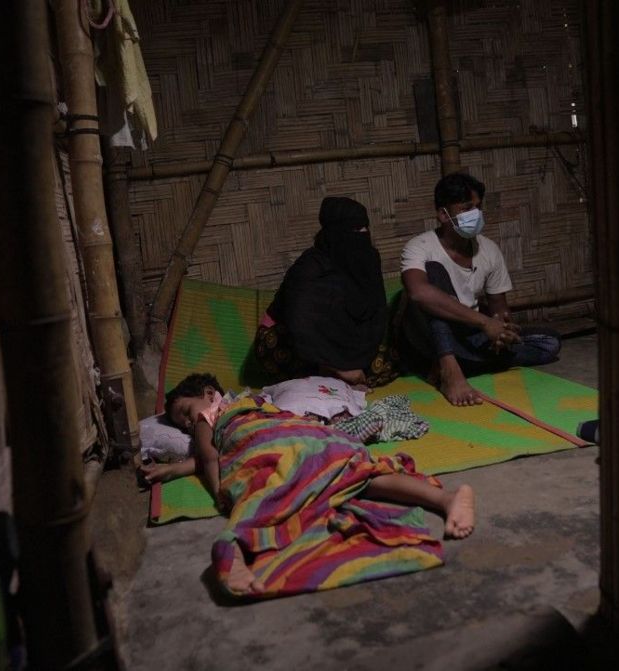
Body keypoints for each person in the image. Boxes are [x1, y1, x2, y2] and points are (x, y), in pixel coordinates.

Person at [142, 372, 476, 597]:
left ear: (207, 394)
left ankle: (235, 549)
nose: (187, 423)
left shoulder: (209, 418)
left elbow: (209, 457)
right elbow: (203, 458)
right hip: (306, 434)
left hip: (267, 443)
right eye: (181, 424)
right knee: (357, 472)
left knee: (264, 488)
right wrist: (176, 470)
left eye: (185, 412)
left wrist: (219, 493)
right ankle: (446, 499)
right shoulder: (255, 402)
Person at [399, 172, 562, 406]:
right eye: (466, 208)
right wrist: (485, 323)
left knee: (548, 342)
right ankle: (450, 369)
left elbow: (499, 310)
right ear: (443, 214)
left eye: (478, 207)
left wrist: (500, 332)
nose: (475, 214)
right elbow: (418, 293)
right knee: (434, 279)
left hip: (468, 334)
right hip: (429, 334)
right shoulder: (420, 247)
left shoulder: (488, 249)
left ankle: (454, 364)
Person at [248, 196, 397, 388]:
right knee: (274, 347)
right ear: (334, 232)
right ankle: (334, 378)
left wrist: (356, 362)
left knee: (391, 361)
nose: (362, 234)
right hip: (291, 343)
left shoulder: (368, 260)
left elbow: (375, 315)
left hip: (345, 345)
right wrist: (339, 368)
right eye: (354, 230)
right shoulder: (311, 265)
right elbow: (301, 323)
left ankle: (331, 381)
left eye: (364, 228)